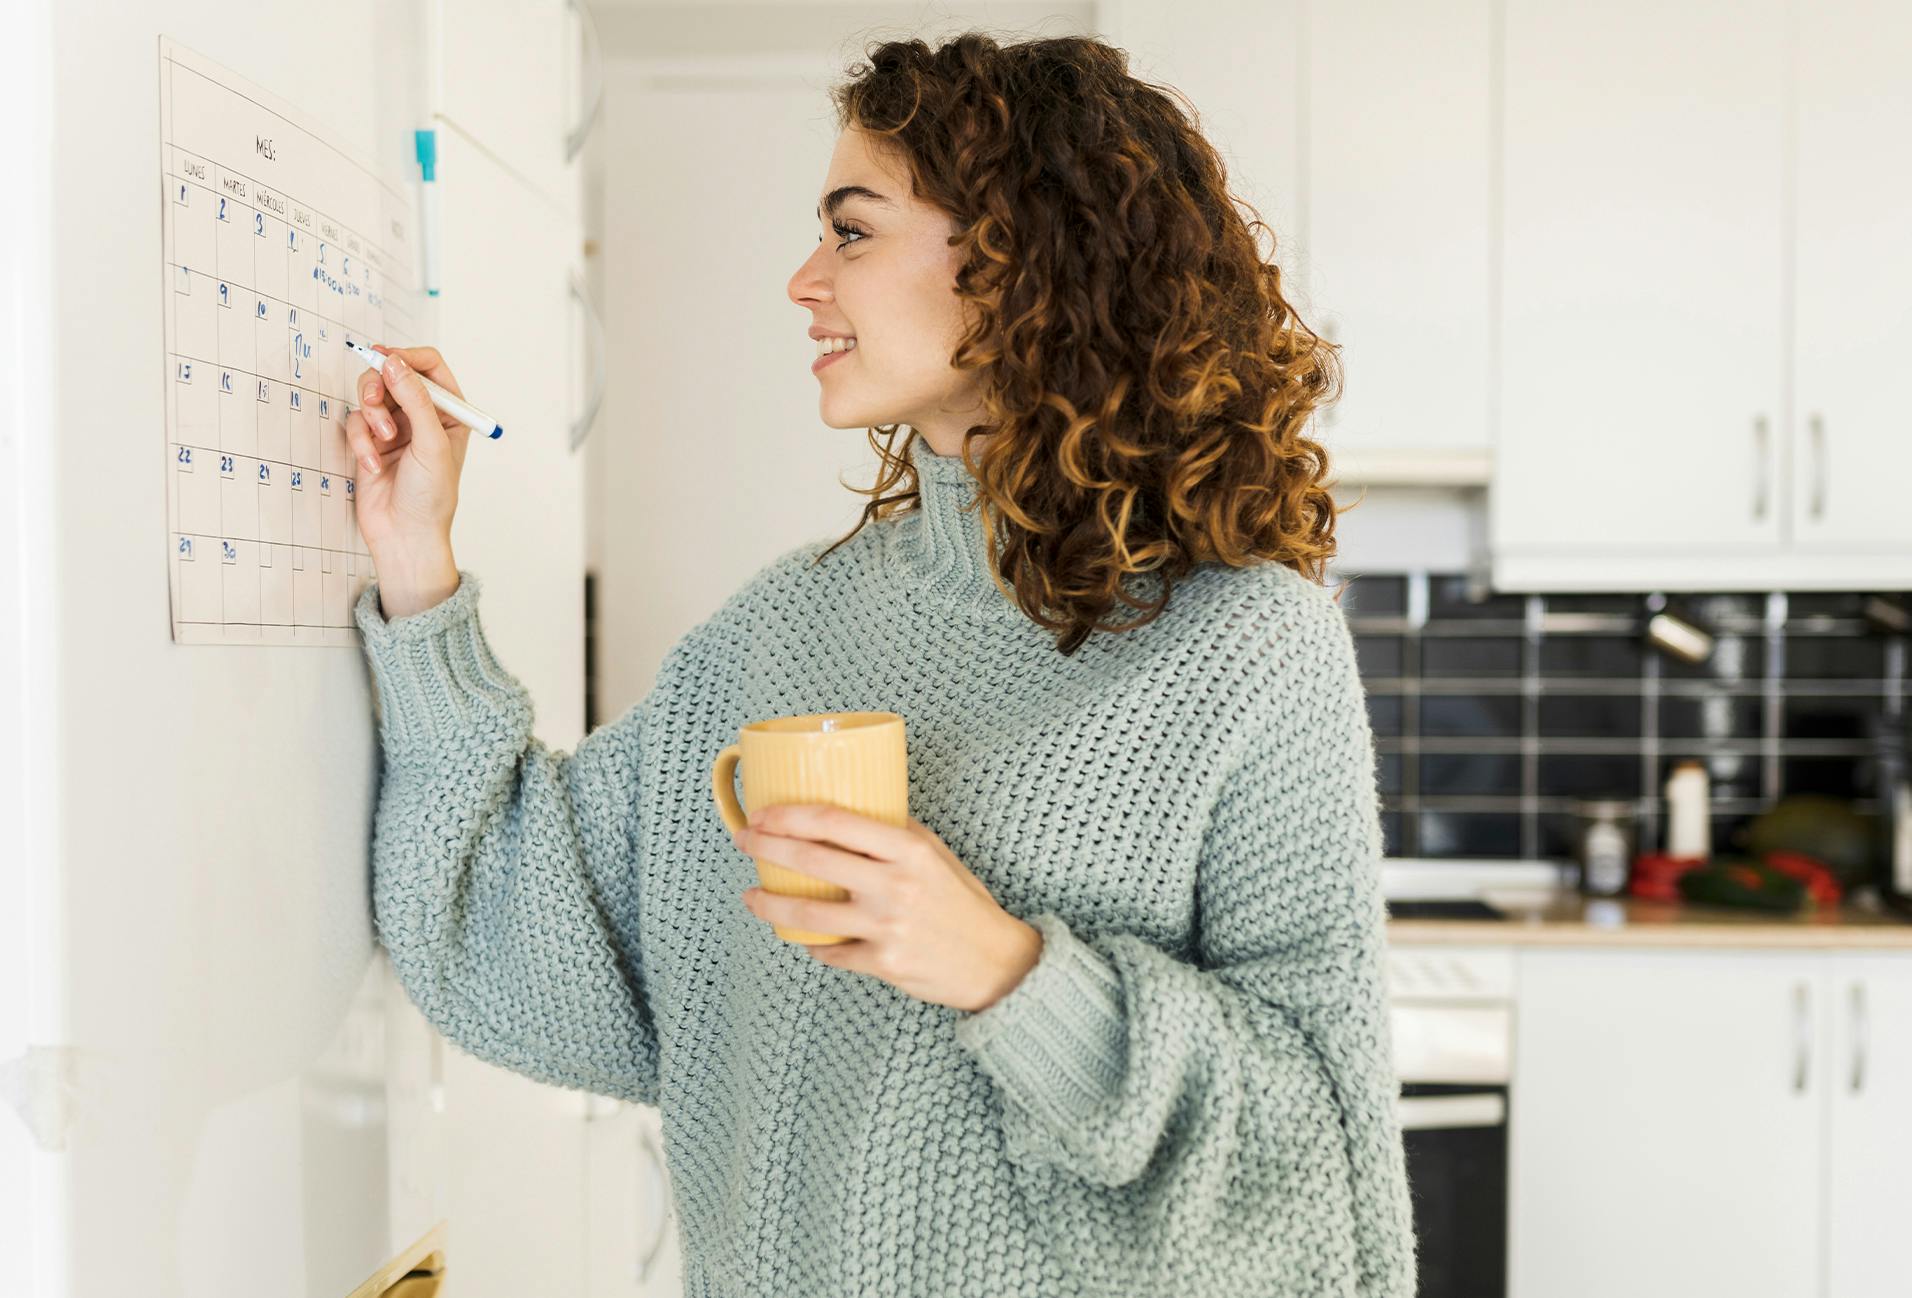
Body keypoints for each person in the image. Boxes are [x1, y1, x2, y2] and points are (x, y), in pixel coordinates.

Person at [345, 30, 1415, 1298]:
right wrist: (417, 564)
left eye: (852, 231)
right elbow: (507, 929)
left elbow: (1319, 1160)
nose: (804, 279)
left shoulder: (1246, 647)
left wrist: (1006, 972)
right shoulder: (781, 632)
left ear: (1028, 255)